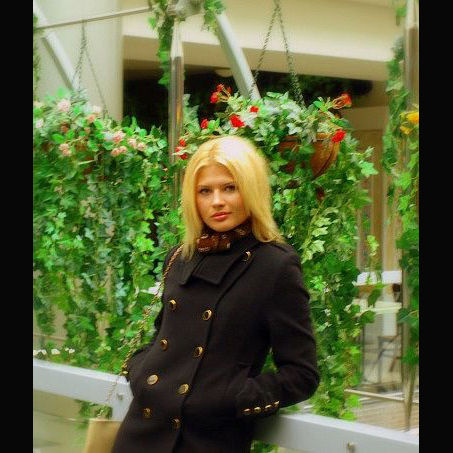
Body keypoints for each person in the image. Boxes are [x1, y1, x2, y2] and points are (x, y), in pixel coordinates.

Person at [113, 135, 319, 453]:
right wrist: (141, 372)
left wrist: (229, 397)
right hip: (140, 435)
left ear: (251, 189)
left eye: (229, 188)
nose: (217, 201)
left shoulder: (275, 265)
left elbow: (301, 374)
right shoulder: (180, 256)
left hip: (208, 441)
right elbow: (162, 337)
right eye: (205, 191)